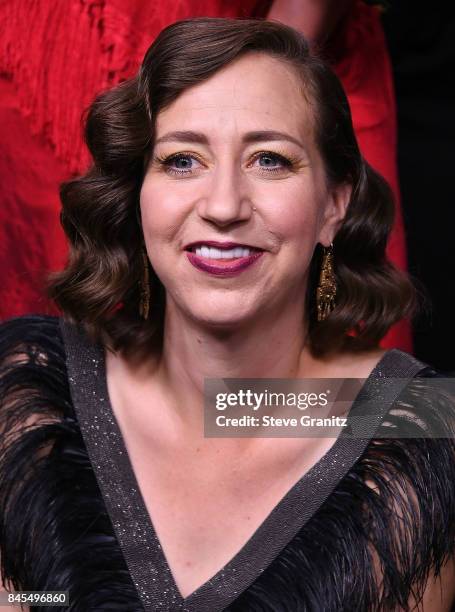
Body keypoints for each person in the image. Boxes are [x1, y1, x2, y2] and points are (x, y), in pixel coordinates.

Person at [0, 18, 454, 612]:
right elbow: (34, 596)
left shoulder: (419, 430)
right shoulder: (32, 392)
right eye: (182, 160)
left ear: (334, 205)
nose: (222, 207)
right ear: (138, 193)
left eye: (269, 160)